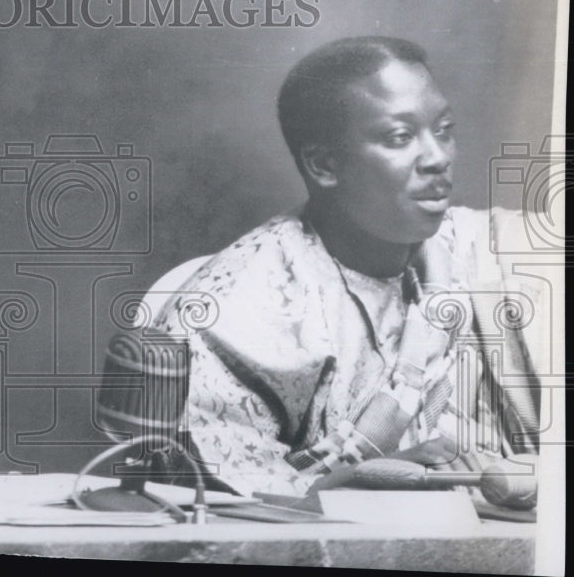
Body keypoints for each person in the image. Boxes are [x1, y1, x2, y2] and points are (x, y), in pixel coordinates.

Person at [141, 36, 544, 497]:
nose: (438, 158)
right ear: (324, 165)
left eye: (445, 129)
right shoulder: (238, 309)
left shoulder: (483, 251)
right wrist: (352, 482)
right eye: (401, 137)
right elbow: (221, 500)